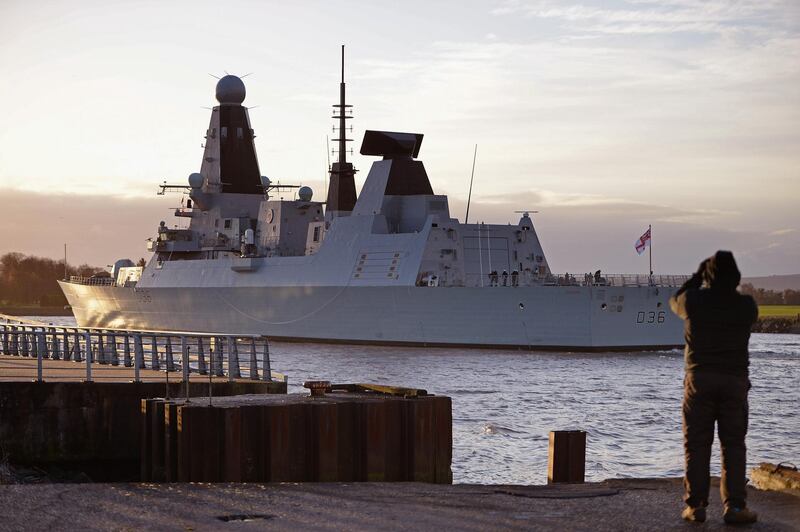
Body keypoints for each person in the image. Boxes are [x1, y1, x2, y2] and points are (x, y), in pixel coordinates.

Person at [669, 251, 758, 524]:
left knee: (697, 445)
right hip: (734, 381)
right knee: (733, 445)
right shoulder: (746, 306)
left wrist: (697, 277)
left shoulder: (694, 301)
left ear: (707, 276)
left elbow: (675, 301)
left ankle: (696, 506)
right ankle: (735, 507)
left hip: (700, 380)